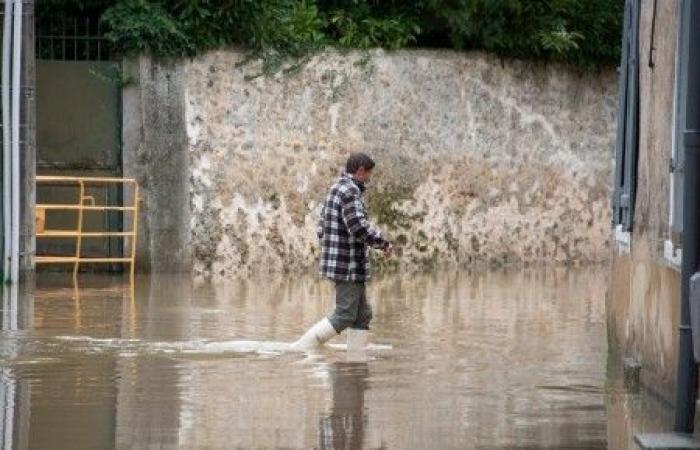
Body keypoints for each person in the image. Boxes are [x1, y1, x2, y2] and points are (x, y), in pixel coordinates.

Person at [291, 153, 392, 351]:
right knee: (345, 314)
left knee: (362, 315)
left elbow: (321, 227)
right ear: (361, 170)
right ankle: (301, 347)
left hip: (343, 262)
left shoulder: (337, 188)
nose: (369, 179)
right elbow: (358, 227)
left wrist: (332, 252)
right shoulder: (349, 191)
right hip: (348, 265)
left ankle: (356, 358)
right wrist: (384, 243)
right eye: (369, 174)